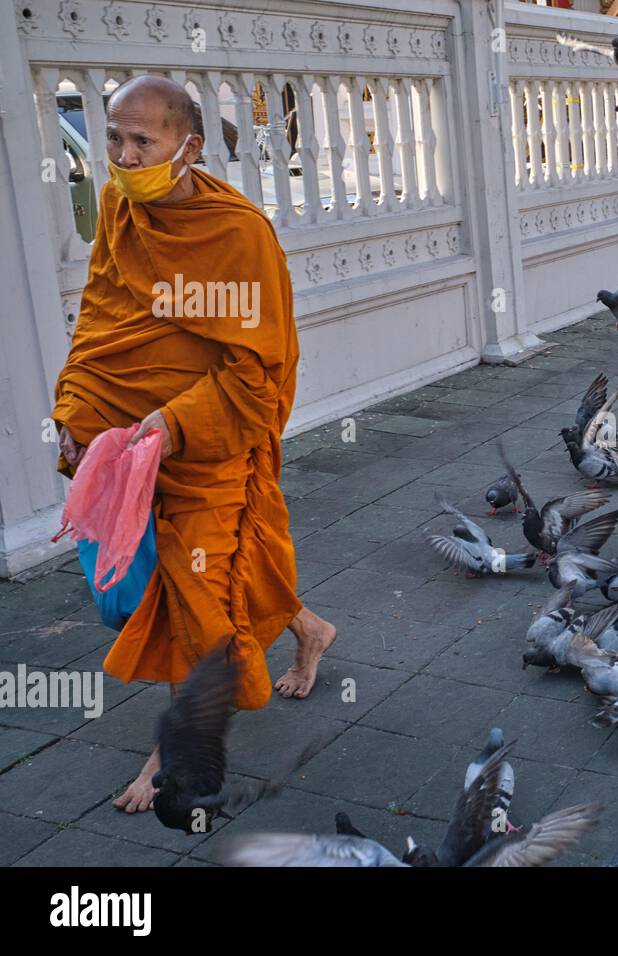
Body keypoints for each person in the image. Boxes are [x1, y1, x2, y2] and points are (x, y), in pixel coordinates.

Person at [51, 75, 336, 814]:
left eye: (143, 140)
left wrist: (176, 424)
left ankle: (168, 759)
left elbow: (257, 368)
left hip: (210, 438)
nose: (123, 153)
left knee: (199, 593)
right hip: (126, 430)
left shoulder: (238, 231)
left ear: (190, 147)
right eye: (114, 136)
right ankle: (310, 629)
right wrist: (76, 408)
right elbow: (103, 312)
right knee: (191, 581)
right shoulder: (119, 204)